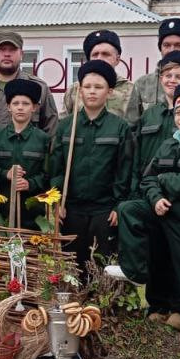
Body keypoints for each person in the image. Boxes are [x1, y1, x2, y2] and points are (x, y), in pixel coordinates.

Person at [108, 79, 180, 359]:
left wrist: (164, 180)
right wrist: (156, 197)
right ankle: (135, 269)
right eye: (179, 113)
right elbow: (148, 178)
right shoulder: (169, 145)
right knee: (129, 209)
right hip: (162, 212)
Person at [130, 50, 180, 329]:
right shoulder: (151, 115)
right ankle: (157, 303)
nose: (172, 80)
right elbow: (137, 152)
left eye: (179, 76)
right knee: (155, 249)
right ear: (160, 80)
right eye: (167, 75)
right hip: (151, 191)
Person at [50, 60, 134, 277]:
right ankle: (75, 307)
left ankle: (101, 307)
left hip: (104, 209)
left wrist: (119, 204)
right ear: (79, 90)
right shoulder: (67, 126)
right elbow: (56, 167)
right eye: (87, 87)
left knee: (101, 262)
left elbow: (125, 169)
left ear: (110, 92)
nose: (92, 92)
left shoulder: (119, 127)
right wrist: (58, 202)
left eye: (98, 87)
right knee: (73, 264)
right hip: (73, 208)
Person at [0, 78, 51, 230]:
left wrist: (30, 183)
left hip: (32, 212)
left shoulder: (43, 139)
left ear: (34, 107)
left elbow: (49, 173)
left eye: (26, 104)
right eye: (16, 103)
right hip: (1, 210)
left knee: (32, 251)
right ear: (8, 107)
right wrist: (5, 174)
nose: (20, 108)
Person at [0, 31, 58, 135]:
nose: (7, 54)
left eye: (12, 50)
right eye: (2, 49)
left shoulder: (39, 88)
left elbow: (52, 130)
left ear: (21, 54)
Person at [61, 31, 139, 123]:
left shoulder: (131, 89)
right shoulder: (76, 89)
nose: (99, 58)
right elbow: (63, 124)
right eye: (95, 54)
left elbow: (136, 127)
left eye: (106, 54)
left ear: (117, 59)